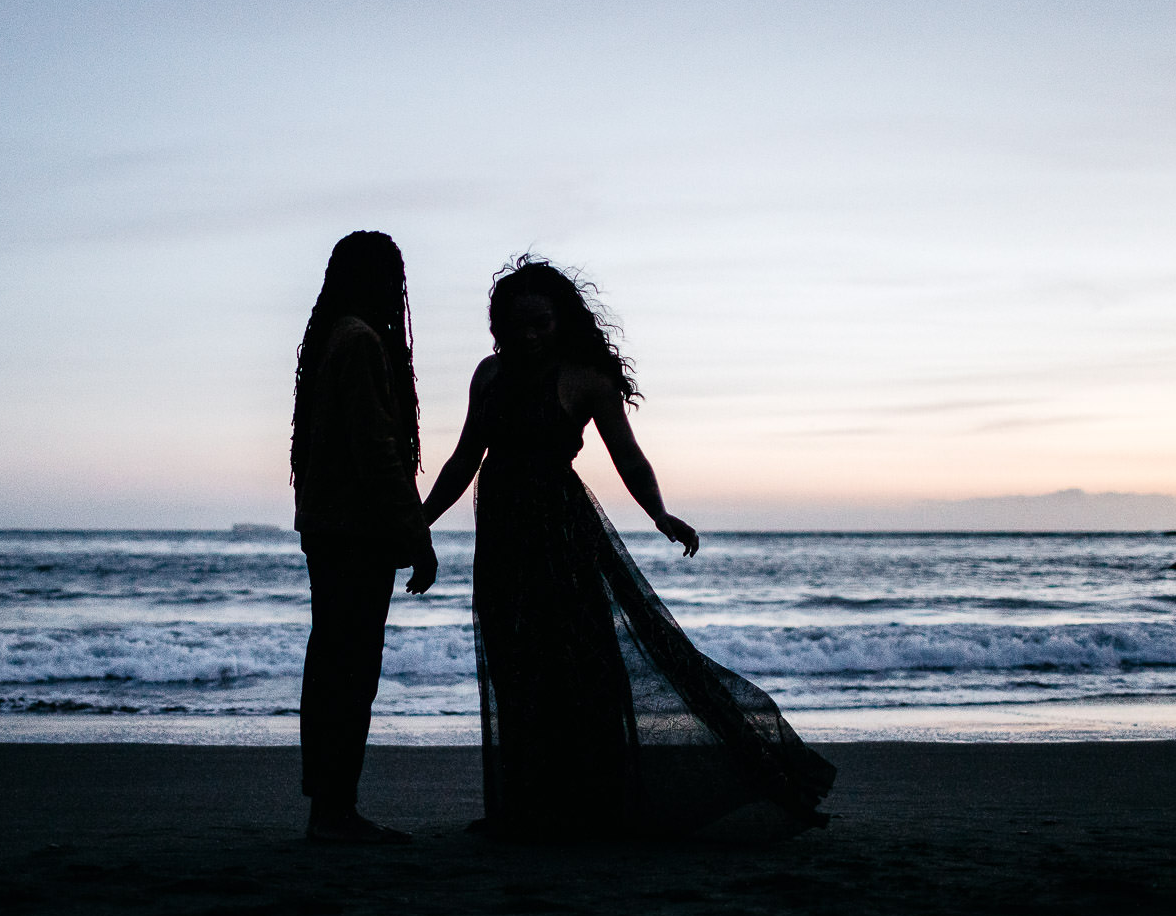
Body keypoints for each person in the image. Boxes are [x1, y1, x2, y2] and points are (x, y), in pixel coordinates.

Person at [420, 257, 835, 839]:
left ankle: (591, 808)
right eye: (519, 325)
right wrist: (420, 524)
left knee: (575, 671)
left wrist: (661, 516)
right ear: (498, 326)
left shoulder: (586, 379)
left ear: (560, 322)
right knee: (515, 672)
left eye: (542, 323)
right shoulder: (487, 376)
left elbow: (629, 458)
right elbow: (465, 458)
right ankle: (524, 810)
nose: (530, 335)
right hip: (502, 543)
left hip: (561, 539)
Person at [291, 231, 438, 844]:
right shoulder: (361, 341)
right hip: (355, 531)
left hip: (327, 526)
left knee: (332, 664)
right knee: (350, 669)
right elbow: (377, 448)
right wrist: (415, 533)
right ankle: (335, 811)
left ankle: (328, 805)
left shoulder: (331, 335)